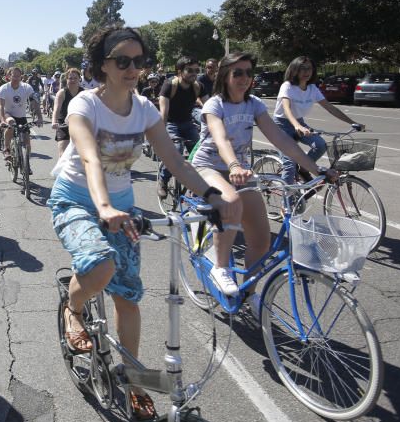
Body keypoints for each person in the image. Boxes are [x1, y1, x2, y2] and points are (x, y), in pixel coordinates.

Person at [49, 27, 232, 421]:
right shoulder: (84, 105)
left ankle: (133, 379)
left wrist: (211, 198)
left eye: (140, 61)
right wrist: (103, 207)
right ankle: (73, 307)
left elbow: (175, 161)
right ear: (103, 65)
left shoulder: (145, 110)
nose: (133, 69)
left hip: (122, 205)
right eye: (122, 61)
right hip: (77, 199)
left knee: (128, 296)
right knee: (100, 264)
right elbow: (91, 159)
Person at [192, 52, 338, 296]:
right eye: (237, 72)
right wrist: (234, 166)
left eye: (249, 73)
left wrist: (317, 169)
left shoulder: (254, 104)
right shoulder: (214, 104)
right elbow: (221, 139)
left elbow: (281, 139)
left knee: (261, 241)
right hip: (209, 167)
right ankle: (219, 267)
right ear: (225, 75)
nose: (244, 78)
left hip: (238, 171)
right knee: (230, 200)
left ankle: (248, 293)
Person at [273, 56, 363, 184]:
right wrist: (297, 126)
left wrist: (353, 122)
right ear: (294, 70)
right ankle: (287, 202)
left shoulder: (312, 89)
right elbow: (286, 109)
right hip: (282, 124)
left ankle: (303, 168)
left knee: (320, 145)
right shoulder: (287, 86)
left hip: (299, 122)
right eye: (302, 68)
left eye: (309, 68)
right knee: (289, 164)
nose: (306, 72)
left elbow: (329, 107)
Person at [156, 57, 208, 199]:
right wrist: (161, 134)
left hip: (187, 123)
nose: (194, 73)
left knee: (200, 152)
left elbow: (210, 107)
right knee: (176, 151)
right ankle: (163, 180)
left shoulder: (198, 86)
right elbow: (164, 113)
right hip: (171, 124)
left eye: (197, 70)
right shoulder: (169, 85)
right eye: (189, 70)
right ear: (179, 72)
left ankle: (198, 184)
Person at [0, 67, 35, 163]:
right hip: (8, 114)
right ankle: (6, 149)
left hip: (22, 116)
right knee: (11, 123)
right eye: (14, 76)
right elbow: (1, 106)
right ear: (9, 76)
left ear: (21, 77)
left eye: (18, 76)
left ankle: (27, 164)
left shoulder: (27, 87)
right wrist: (2, 120)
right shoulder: (3, 88)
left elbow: (34, 102)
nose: (16, 78)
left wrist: (39, 117)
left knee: (27, 143)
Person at [51, 67, 82, 157]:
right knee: (64, 155)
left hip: (80, 125)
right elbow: (56, 109)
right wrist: (54, 122)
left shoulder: (84, 92)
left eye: (75, 78)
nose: (72, 80)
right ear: (67, 79)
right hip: (63, 125)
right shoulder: (62, 93)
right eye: (70, 78)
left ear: (79, 79)